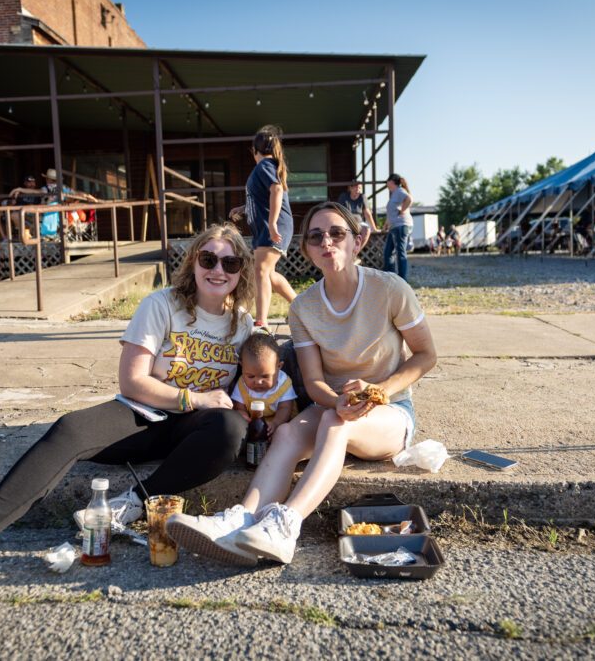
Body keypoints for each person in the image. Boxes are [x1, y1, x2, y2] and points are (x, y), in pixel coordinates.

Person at [0, 224, 256, 590]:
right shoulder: (161, 304)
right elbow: (133, 382)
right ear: (193, 262)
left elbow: (259, 381)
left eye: (230, 263)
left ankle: (131, 504)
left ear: (241, 271)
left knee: (230, 430)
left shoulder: (242, 324)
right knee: (70, 427)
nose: (218, 270)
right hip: (143, 416)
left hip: (196, 430)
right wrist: (192, 398)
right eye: (208, 259)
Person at [167, 201, 437, 565]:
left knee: (335, 422)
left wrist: (380, 390)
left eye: (337, 233)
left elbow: (426, 355)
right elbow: (313, 382)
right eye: (315, 236)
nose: (326, 241)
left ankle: (286, 525)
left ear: (357, 241)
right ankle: (240, 519)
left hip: (391, 412)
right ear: (307, 250)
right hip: (333, 407)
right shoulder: (303, 308)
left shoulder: (390, 289)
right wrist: (336, 400)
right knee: (288, 432)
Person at [228, 126, 297, 330]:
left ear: (254, 150)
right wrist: (243, 208)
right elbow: (262, 197)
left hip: (271, 226)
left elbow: (276, 189)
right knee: (269, 274)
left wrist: (273, 223)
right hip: (265, 228)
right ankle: (301, 307)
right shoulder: (267, 166)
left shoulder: (264, 165)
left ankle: (262, 321)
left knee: (261, 271)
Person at [231, 332, 298, 435]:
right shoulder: (242, 385)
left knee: (284, 432)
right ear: (242, 367)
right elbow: (240, 408)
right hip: (255, 423)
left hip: (282, 421)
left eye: (265, 376)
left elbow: (285, 408)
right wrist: (244, 418)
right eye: (251, 376)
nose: (258, 382)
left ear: (279, 367)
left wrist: (275, 423)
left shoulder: (283, 384)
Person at [382, 174, 413, 279]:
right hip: (393, 227)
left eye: (387, 183)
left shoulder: (399, 191)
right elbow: (391, 212)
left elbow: (409, 199)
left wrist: (402, 210)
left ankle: (402, 280)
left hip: (401, 225)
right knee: (387, 253)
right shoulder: (394, 194)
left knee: (400, 253)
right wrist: (385, 225)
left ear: (391, 182)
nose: (387, 185)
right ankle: (390, 278)